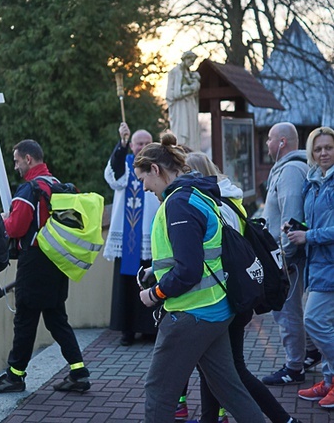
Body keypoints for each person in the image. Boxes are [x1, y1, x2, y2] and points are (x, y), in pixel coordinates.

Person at [134, 133, 266, 423]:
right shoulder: (199, 194)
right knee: (230, 391)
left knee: (158, 392)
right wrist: (156, 271)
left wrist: (153, 293)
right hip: (216, 309)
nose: (144, 187)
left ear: (156, 170)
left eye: (144, 179)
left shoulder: (177, 204)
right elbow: (199, 255)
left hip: (190, 313)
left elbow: (189, 270)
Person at [180, 151, 303, 423]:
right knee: (212, 367)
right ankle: (210, 419)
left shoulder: (211, 204)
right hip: (238, 293)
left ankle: (284, 419)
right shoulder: (231, 198)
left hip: (224, 297)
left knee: (234, 370)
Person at [0, 139, 90, 393]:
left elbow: (15, 228)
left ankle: (14, 376)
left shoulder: (29, 190)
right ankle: (79, 372)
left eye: (16, 160)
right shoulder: (56, 185)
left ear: (28, 159)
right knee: (56, 318)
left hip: (34, 262)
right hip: (57, 258)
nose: (15, 166)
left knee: (25, 318)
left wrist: (4, 220)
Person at [261, 122, 320, 387]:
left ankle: (294, 367)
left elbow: (291, 217)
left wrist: (283, 257)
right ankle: (309, 352)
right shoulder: (289, 169)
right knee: (292, 310)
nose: (267, 144)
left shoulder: (290, 172)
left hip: (287, 258)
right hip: (286, 255)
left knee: (287, 311)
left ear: (282, 142)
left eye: (270, 139)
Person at [288, 127, 334, 409]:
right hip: (317, 264)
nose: (324, 153)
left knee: (314, 321)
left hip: (330, 265)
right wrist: (298, 230)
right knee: (324, 325)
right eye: (318, 149)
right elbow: (316, 224)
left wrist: (310, 236)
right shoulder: (314, 181)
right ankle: (329, 382)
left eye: (328, 147)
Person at [103, 122, 160, 346]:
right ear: (132, 145)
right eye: (139, 143)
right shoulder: (126, 164)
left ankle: (149, 329)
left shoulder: (158, 166)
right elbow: (112, 175)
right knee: (127, 284)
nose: (143, 147)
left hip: (149, 234)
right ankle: (127, 330)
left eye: (147, 143)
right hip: (126, 237)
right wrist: (122, 144)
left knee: (149, 281)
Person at [166, 51, 201, 151]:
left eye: (194, 61)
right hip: (180, 107)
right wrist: (183, 93)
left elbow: (195, 91)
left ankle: (191, 152)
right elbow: (169, 94)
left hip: (190, 106)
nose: (192, 63)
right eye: (191, 60)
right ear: (185, 58)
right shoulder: (174, 72)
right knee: (181, 132)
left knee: (192, 133)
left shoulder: (191, 74)